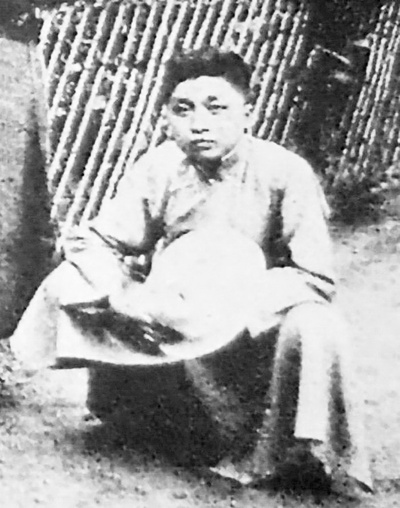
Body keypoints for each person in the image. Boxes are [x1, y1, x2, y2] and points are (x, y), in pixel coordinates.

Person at [11, 48, 372, 496]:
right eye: (183, 110)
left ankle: (292, 448)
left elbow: (314, 277)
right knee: (72, 279)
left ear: (247, 113)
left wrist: (232, 301)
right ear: (166, 117)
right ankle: (140, 411)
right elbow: (98, 240)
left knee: (316, 323)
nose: (200, 124)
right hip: (171, 314)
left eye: (216, 108)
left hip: (254, 323)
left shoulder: (285, 173)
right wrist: (126, 296)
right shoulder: (161, 167)